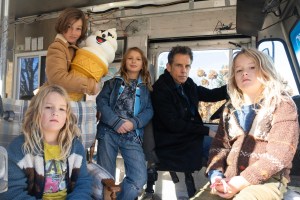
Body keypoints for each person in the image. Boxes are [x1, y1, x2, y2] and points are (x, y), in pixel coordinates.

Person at [192, 48, 299, 200]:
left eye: (252, 67)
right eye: (239, 70)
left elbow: (280, 154)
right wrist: (216, 176)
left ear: (265, 71)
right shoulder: (230, 109)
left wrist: (242, 181)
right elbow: (219, 147)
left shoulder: (281, 104)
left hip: (268, 181)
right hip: (230, 177)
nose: (245, 73)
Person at [150, 46, 228, 197]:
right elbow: (174, 124)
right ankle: (217, 185)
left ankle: (219, 184)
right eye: (178, 65)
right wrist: (207, 131)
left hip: (188, 134)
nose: (183, 70)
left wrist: (234, 85)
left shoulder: (188, 84)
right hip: (171, 141)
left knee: (222, 143)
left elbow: (211, 94)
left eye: (187, 66)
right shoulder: (161, 89)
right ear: (168, 67)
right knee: (217, 145)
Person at [0, 84, 92, 199]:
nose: (55, 112)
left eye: (62, 109)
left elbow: (83, 183)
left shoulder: (75, 148)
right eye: (48, 107)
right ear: (35, 112)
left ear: (67, 117)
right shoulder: (19, 148)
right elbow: (12, 192)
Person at [96, 47, 153, 200]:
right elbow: (101, 102)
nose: (134, 61)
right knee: (105, 177)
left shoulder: (146, 88)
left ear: (143, 64)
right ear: (124, 62)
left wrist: (133, 123)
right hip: (108, 132)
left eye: (138, 59)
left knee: (139, 178)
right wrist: (115, 122)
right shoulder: (112, 83)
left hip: (131, 135)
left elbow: (148, 111)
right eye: (130, 58)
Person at [45, 7, 99, 100]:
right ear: (62, 26)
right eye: (69, 27)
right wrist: (90, 85)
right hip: (55, 102)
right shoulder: (57, 47)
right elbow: (57, 79)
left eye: (78, 28)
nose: (73, 32)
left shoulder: (76, 49)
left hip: (68, 101)